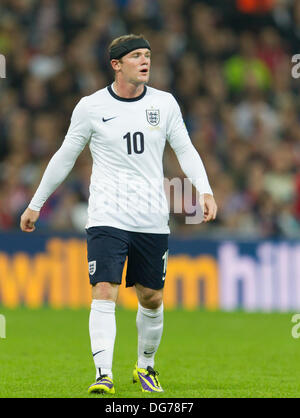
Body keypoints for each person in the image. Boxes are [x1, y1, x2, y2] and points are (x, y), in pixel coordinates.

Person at [20, 34, 217, 395]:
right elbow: (65, 155)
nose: (146, 61)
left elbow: (185, 150)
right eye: (137, 56)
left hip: (151, 218)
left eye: (148, 55)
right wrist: (36, 202)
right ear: (116, 64)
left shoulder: (165, 104)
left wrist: (204, 190)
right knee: (104, 290)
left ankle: (145, 367)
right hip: (107, 215)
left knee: (152, 298)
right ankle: (102, 375)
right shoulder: (91, 107)